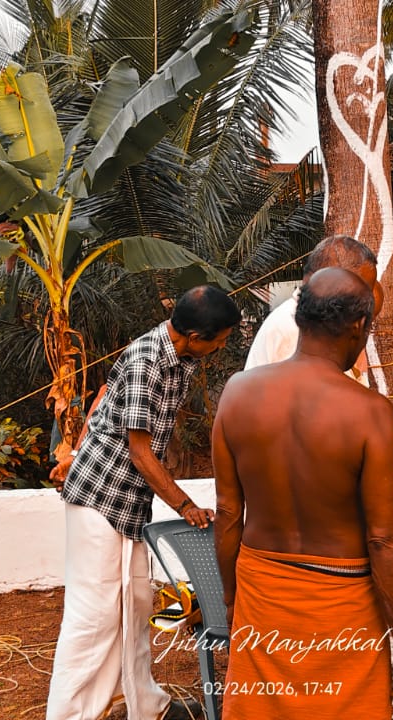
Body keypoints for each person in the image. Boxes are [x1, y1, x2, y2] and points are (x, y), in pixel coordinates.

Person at [213, 268, 393, 719]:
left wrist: (232, 603)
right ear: (358, 326)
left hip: (262, 593)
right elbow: (384, 539)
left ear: (300, 318)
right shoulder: (369, 412)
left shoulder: (236, 393)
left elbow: (229, 514)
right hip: (342, 602)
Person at [47, 285, 242, 720]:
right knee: (94, 616)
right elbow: (140, 452)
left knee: (135, 605)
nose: (221, 348)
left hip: (129, 504)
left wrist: (77, 448)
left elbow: (105, 395)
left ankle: (142, 705)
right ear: (194, 335)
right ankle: (69, 713)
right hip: (100, 499)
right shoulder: (146, 361)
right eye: (220, 340)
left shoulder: (181, 357)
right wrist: (185, 505)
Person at [244, 235, 393, 474]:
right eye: (361, 292)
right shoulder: (292, 329)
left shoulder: (328, 327)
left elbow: (341, 413)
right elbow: (316, 426)